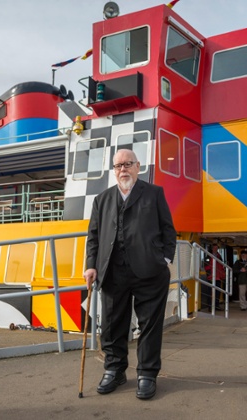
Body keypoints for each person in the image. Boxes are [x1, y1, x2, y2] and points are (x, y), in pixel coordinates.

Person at [84, 149, 176, 400]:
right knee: (113, 325)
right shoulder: (101, 199)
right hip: (112, 272)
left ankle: (147, 373)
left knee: (149, 326)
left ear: (138, 167)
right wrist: (91, 265)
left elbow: (169, 230)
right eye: (117, 166)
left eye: (127, 164)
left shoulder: (154, 193)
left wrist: (164, 259)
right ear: (113, 170)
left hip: (150, 271)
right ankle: (114, 370)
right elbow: (93, 237)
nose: (122, 169)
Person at [204, 243, 225, 311]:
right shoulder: (208, 256)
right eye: (214, 248)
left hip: (218, 277)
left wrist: (222, 274)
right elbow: (206, 266)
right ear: (212, 248)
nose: (216, 249)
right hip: (211, 277)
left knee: (217, 293)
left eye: (217, 248)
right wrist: (209, 275)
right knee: (210, 293)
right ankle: (210, 307)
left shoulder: (219, 256)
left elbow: (222, 266)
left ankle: (216, 306)